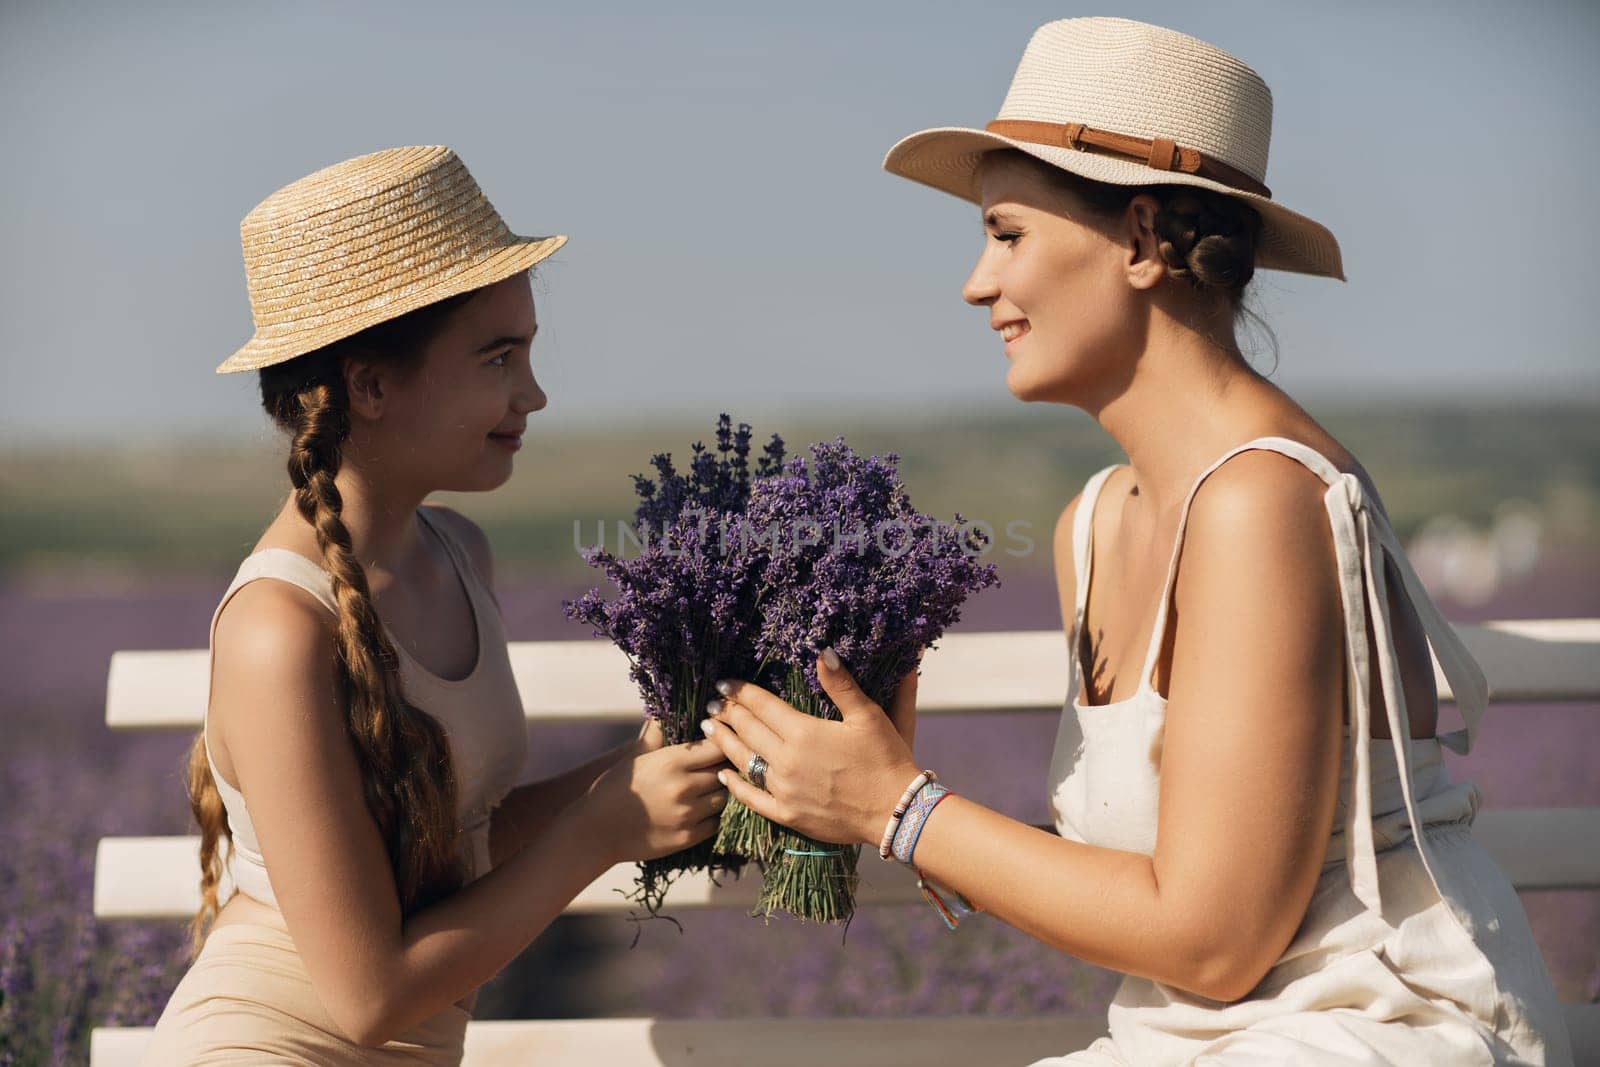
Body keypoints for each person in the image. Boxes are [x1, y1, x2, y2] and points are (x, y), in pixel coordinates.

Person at [698, 18, 1573, 1065]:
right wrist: (859, 769)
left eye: (1007, 233)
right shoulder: (1098, 521)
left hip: (1367, 1030)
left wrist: (896, 805)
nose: (976, 285)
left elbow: (1213, 937)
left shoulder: (1261, 500)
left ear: (1143, 240)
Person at [143, 146, 729, 1062]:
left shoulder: (458, 552)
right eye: (498, 357)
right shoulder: (280, 632)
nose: (533, 394)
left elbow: (463, 840)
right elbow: (370, 995)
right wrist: (603, 832)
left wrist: (645, 759)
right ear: (369, 386)